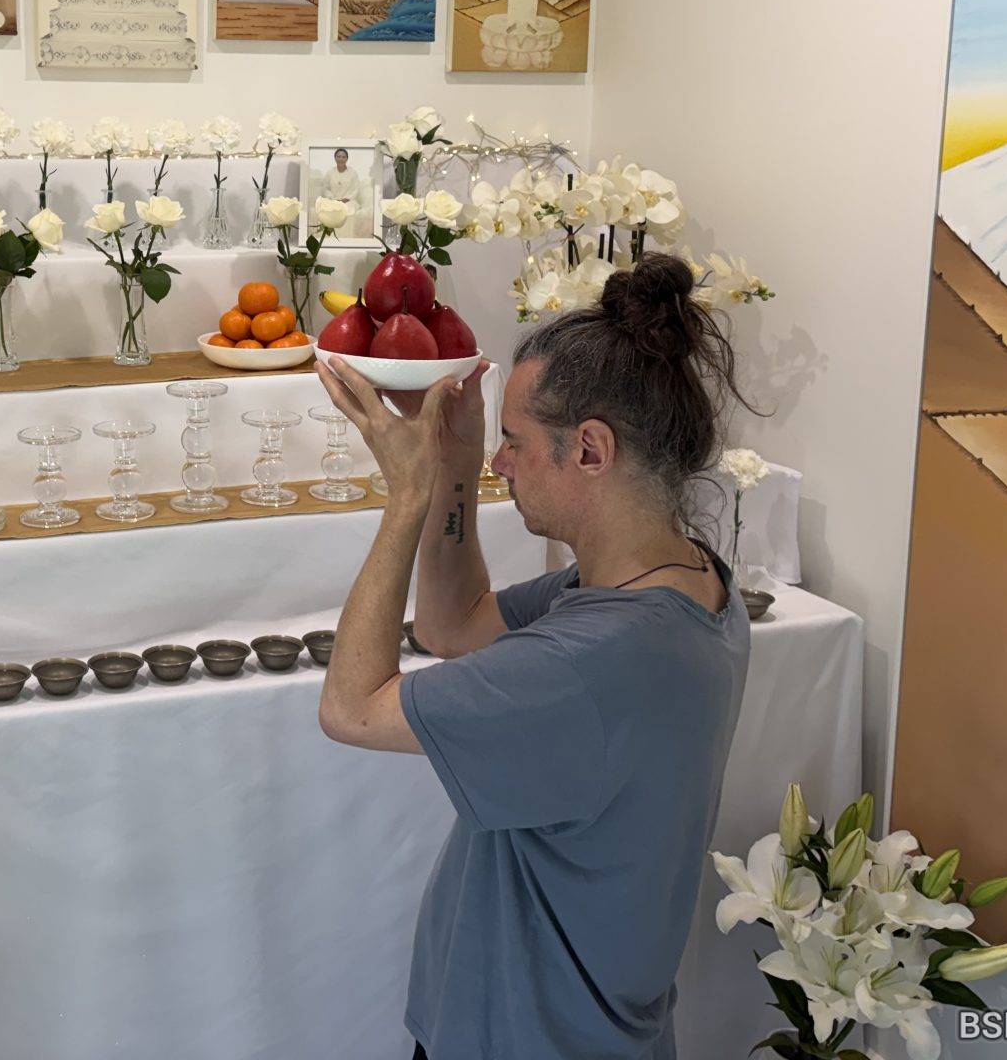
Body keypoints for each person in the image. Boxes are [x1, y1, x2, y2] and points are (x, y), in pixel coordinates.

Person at [315, 254, 753, 1059]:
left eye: (513, 443)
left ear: (589, 450)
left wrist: (405, 497)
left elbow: (350, 708)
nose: (499, 463)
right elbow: (454, 625)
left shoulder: (589, 662)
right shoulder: (689, 583)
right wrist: (451, 467)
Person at [314, 146, 372, 238]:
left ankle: (347, 238)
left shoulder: (353, 172)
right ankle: (331, 239)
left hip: (349, 201)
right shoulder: (330, 172)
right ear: (335, 158)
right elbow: (325, 188)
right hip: (333, 201)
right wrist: (332, 198)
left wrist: (347, 199)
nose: (341, 159)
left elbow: (356, 189)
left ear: (347, 159)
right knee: (329, 212)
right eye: (339, 156)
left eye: (343, 157)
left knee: (349, 212)